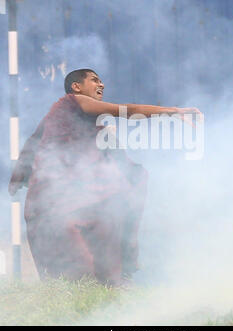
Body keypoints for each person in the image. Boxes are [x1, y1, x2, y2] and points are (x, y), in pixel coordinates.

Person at [9, 69, 201, 286]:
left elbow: (34, 142)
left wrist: (18, 177)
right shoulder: (73, 101)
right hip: (56, 202)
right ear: (76, 87)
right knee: (78, 272)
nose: (101, 85)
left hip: (80, 198)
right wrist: (172, 112)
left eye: (101, 81)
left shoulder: (95, 127)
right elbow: (128, 110)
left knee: (105, 253)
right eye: (94, 80)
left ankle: (111, 289)